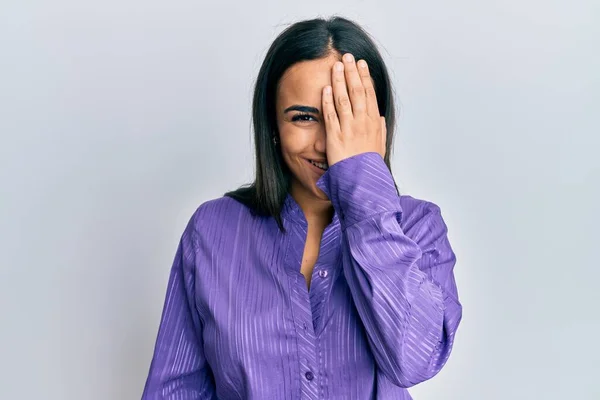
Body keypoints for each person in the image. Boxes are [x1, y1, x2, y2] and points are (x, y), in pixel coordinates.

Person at [141, 16, 462, 400]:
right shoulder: (212, 230)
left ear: (377, 125)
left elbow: (413, 361)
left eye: (345, 117)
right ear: (273, 127)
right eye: (304, 117)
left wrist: (362, 182)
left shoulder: (417, 226)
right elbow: (175, 391)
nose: (327, 144)